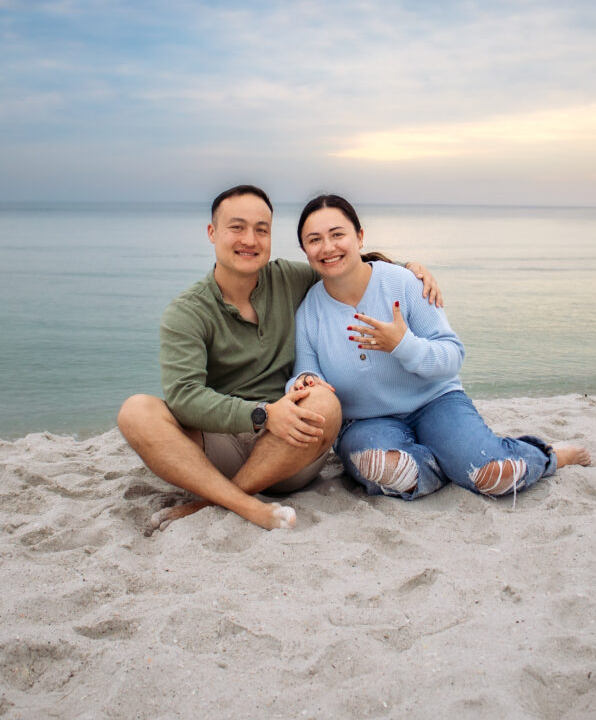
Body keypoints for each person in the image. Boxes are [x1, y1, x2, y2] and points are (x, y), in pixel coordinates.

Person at [117, 185, 442, 531]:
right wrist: (262, 414)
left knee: (324, 400)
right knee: (136, 411)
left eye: (261, 229)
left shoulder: (288, 278)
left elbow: (344, 266)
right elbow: (184, 397)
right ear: (212, 233)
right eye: (237, 227)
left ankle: (213, 501)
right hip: (220, 445)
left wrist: (408, 268)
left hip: (290, 447)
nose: (250, 239)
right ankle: (244, 504)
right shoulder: (187, 312)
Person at [290, 194, 591, 503]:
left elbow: (452, 357)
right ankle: (446, 465)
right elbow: (304, 372)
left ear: (360, 236)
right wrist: (303, 382)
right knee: (381, 466)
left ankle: (548, 455)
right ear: (304, 250)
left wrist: (402, 345)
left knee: (495, 475)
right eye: (315, 240)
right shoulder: (309, 311)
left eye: (337, 234)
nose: (328, 247)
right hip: (366, 423)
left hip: (435, 403)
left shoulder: (403, 282)